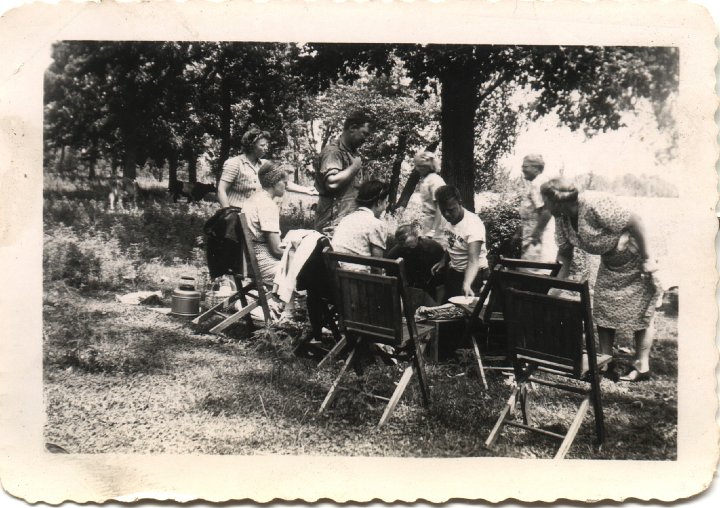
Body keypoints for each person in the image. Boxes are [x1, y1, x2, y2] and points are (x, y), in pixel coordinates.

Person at [540, 177, 659, 382]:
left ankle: (642, 365)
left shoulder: (594, 204)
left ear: (557, 201)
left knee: (641, 311)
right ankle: (606, 361)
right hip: (611, 261)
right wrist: (557, 287)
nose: (544, 205)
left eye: (546, 201)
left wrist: (648, 259)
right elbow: (565, 255)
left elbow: (635, 222)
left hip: (636, 254)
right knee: (603, 307)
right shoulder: (562, 219)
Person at [218, 125, 315, 209]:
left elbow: (283, 183)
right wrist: (227, 213)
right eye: (262, 145)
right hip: (236, 213)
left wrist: (307, 190)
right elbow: (221, 189)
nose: (266, 148)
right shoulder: (234, 163)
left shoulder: (265, 164)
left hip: (256, 214)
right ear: (251, 146)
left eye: (267, 145)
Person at [313, 110, 372, 234]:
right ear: (352, 128)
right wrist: (355, 167)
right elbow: (332, 183)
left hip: (345, 222)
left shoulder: (351, 154)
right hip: (331, 223)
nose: (365, 139)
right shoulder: (333, 152)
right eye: (364, 134)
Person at [431, 185, 490, 300]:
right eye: (443, 211)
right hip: (455, 273)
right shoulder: (446, 219)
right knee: (448, 310)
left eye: (451, 210)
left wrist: (467, 283)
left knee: (470, 314)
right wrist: (443, 261)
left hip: (475, 276)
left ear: (459, 202)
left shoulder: (473, 225)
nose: (447, 214)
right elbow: (452, 242)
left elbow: (473, 260)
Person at [241, 161, 289, 280]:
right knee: (309, 270)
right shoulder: (268, 205)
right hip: (265, 264)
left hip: (248, 262)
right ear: (274, 181)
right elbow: (276, 250)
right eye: (284, 181)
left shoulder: (253, 199)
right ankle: (296, 298)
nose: (287, 185)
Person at [331, 180, 389, 268]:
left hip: (338, 275)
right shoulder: (377, 224)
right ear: (379, 202)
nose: (385, 207)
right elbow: (377, 266)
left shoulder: (346, 219)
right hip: (360, 279)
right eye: (386, 202)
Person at [385, 223, 444, 295]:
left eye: (410, 246)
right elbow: (391, 277)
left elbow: (442, 271)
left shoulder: (432, 247)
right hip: (409, 287)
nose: (404, 246)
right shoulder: (394, 254)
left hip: (432, 285)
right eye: (401, 243)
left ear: (417, 237)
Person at [519, 154, 553, 261]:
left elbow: (547, 210)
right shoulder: (539, 182)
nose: (523, 169)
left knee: (533, 270)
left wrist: (536, 234)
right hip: (533, 234)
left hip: (537, 238)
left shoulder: (537, 184)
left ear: (536, 168)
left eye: (525, 167)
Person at [413, 151, 447, 245]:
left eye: (420, 166)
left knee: (435, 251)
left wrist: (433, 231)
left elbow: (440, 207)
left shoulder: (435, 181)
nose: (417, 169)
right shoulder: (426, 180)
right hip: (428, 223)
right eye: (417, 166)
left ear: (427, 167)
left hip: (437, 226)